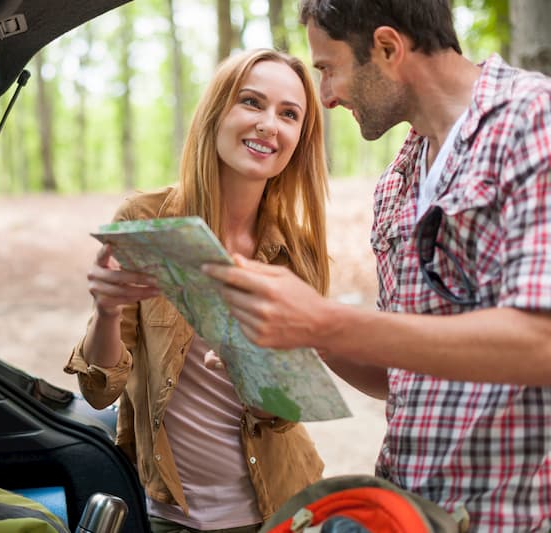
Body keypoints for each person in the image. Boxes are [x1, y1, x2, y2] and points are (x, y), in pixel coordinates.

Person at [203, 1, 551, 531]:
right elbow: (401, 376)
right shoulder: (396, 183)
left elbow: (541, 343)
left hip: (512, 515)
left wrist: (323, 320)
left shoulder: (533, 121)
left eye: (328, 68)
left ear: (387, 48)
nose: (326, 95)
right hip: (403, 508)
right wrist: (300, 334)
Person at [64, 48, 330, 533]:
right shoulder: (146, 222)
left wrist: (257, 375)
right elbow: (99, 389)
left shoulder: (298, 251)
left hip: (285, 507)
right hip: (174, 516)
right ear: (217, 112)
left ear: (299, 138)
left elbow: (286, 411)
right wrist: (106, 311)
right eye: (252, 102)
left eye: (289, 114)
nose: (270, 124)